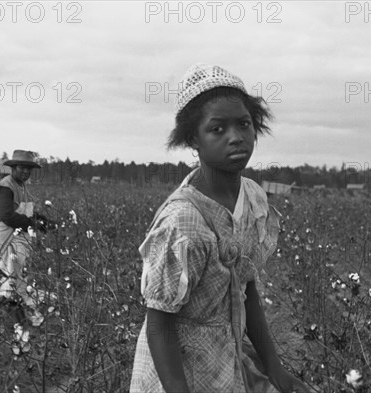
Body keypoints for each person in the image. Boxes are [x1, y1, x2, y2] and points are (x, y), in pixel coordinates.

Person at [130, 64, 310, 393]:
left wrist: (275, 370)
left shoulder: (253, 199)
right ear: (192, 139)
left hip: (226, 362)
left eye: (243, 124)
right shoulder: (183, 222)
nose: (236, 137)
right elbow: (159, 324)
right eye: (217, 129)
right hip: (175, 374)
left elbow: (246, 288)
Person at [0, 150, 47, 323]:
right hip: (3, 239)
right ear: (13, 168)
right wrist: (33, 224)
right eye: (22, 168)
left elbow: (22, 211)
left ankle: (14, 320)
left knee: (13, 278)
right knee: (0, 279)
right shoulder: (6, 187)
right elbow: (8, 216)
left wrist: (43, 220)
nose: (25, 172)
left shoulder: (21, 186)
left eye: (29, 169)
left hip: (15, 238)